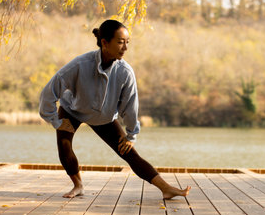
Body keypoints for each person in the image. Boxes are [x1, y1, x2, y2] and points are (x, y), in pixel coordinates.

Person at [39, 19, 191, 199]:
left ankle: (166, 188)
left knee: (129, 153)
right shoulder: (79, 65)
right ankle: (78, 185)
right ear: (104, 42)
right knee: (64, 145)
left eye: (127, 42)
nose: (125, 47)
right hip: (73, 110)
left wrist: (131, 135)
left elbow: (131, 106)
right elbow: (48, 94)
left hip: (104, 117)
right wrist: (56, 122)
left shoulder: (125, 72)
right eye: (120, 42)